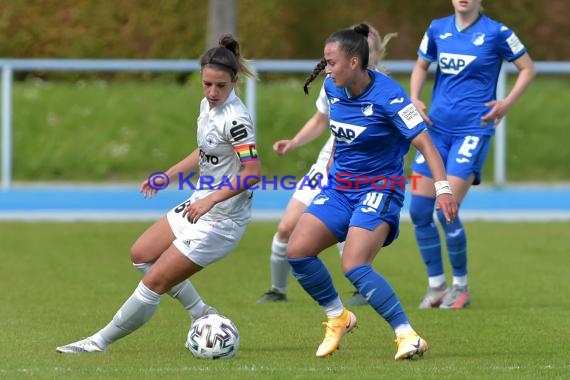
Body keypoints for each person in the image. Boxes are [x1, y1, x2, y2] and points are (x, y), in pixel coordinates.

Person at [56, 35, 261, 353]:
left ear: (235, 81)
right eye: (207, 84)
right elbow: (206, 150)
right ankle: (201, 313)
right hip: (199, 204)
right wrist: (168, 176)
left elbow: (253, 173)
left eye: (220, 86)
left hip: (221, 220)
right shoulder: (207, 106)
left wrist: (210, 200)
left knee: (155, 282)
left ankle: (99, 342)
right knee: (142, 255)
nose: (212, 92)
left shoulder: (237, 120)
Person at [286, 23, 458, 360]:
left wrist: (443, 189)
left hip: (380, 189)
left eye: (331, 62)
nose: (326, 68)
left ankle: (407, 335)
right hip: (339, 189)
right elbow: (339, 135)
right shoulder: (333, 88)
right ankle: (339, 317)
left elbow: (426, 144)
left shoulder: (391, 96)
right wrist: (330, 173)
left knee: (354, 264)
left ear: (354, 62)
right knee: (298, 250)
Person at [257, 23, 397, 307]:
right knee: (286, 227)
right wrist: (294, 142)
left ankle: (361, 287)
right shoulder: (334, 82)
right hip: (326, 166)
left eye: (369, 51)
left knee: (351, 229)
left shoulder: (385, 90)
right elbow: (321, 120)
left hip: (362, 174)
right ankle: (277, 289)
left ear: (374, 54)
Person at [409, 0, 535, 309]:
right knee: (418, 211)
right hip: (434, 131)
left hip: (473, 131)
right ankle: (436, 285)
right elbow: (420, 65)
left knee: (446, 207)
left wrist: (505, 103)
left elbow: (528, 68)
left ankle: (461, 287)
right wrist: (414, 97)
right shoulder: (437, 28)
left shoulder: (497, 32)